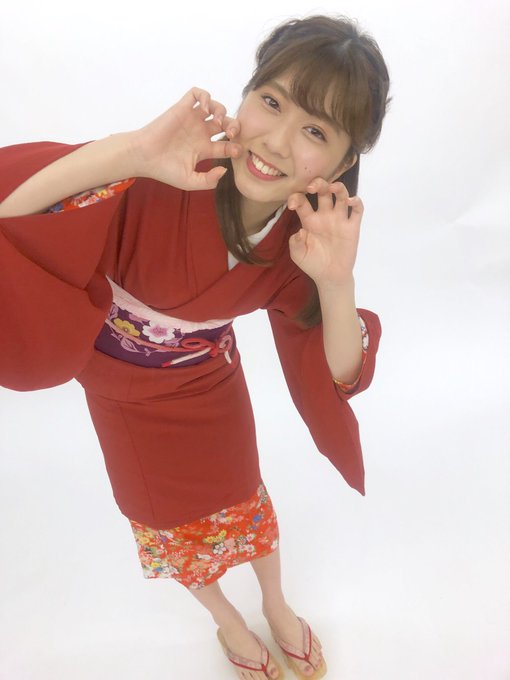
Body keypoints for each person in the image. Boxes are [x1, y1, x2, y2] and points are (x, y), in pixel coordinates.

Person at [0, 14, 390, 680]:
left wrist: (336, 283)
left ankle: (276, 603)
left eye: (316, 132)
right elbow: (11, 212)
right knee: (168, 528)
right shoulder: (169, 164)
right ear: (246, 93)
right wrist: (131, 153)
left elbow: (340, 373)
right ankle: (227, 621)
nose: (276, 142)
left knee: (245, 499)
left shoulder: (305, 240)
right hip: (121, 395)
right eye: (272, 102)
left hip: (209, 386)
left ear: (344, 162)